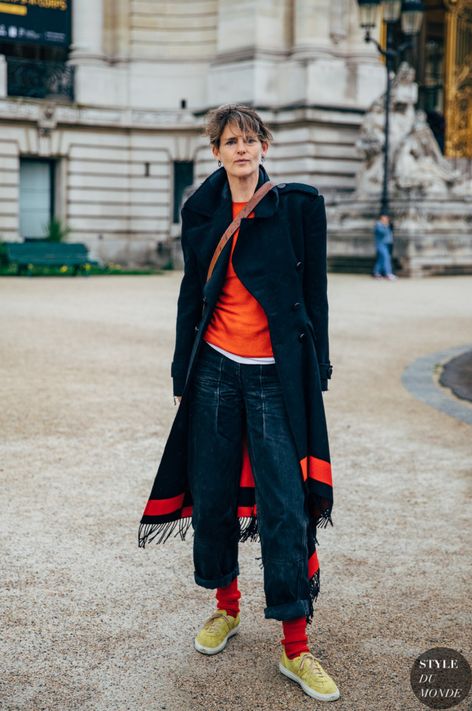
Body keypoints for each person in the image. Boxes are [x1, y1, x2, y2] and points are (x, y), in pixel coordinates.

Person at [139, 104, 339, 703]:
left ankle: (297, 648)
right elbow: (188, 296)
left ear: (265, 147)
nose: (243, 149)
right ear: (217, 150)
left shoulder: (297, 206)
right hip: (217, 372)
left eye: (251, 139)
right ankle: (225, 606)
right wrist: (182, 368)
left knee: (284, 503)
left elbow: (315, 293)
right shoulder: (200, 210)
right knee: (215, 492)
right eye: (232, 141)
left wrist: (317, 368)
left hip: (277, 375)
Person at [373, 213, 397, 280]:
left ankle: (376, 273)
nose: (386, 220)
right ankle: (388, 274)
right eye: (385, 219)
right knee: (386, 258)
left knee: (381, 259)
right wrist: (386, 226)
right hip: (381, 244)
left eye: (387, 218)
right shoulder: (379, 225)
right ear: (381, 219)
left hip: (387, 244)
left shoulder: (387, 225)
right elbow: (382, 232)